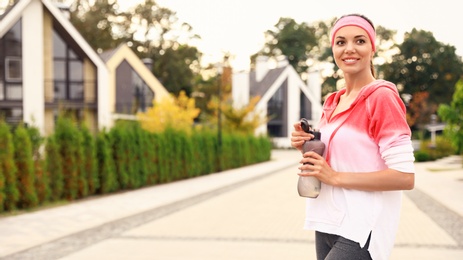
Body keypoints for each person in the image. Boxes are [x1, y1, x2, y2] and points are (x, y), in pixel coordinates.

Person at [291, 14, 415, 260]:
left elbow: (405, 177)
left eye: (359, 41)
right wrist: (306, 145)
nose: (349, 49)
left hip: (361, 227)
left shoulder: (381, 97)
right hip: (327, 220)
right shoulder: (332, 101)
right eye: (340, 42)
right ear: (333, 49)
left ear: (372, 47)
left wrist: (334, 177)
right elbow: (344, 156)